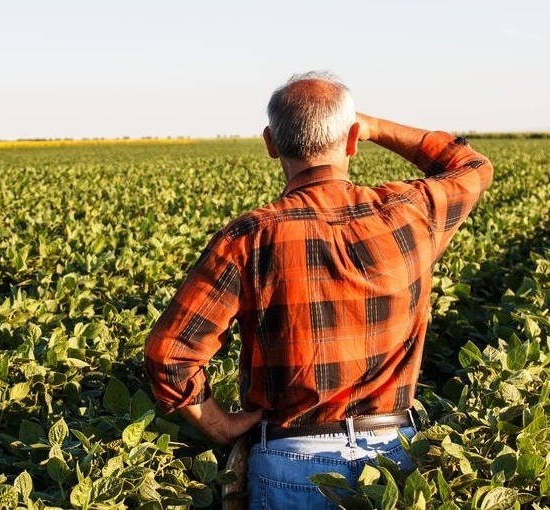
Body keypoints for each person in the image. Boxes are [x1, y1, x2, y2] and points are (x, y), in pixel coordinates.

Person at [144, 71, 493, 508]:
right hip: (390, 457)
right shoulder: (410, 212)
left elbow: (170, 352)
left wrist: (218, 425)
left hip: (291, 459)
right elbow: (472, 166)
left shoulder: (249, 237)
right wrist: (376, 128)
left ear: (271, 144)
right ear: (351, 141)